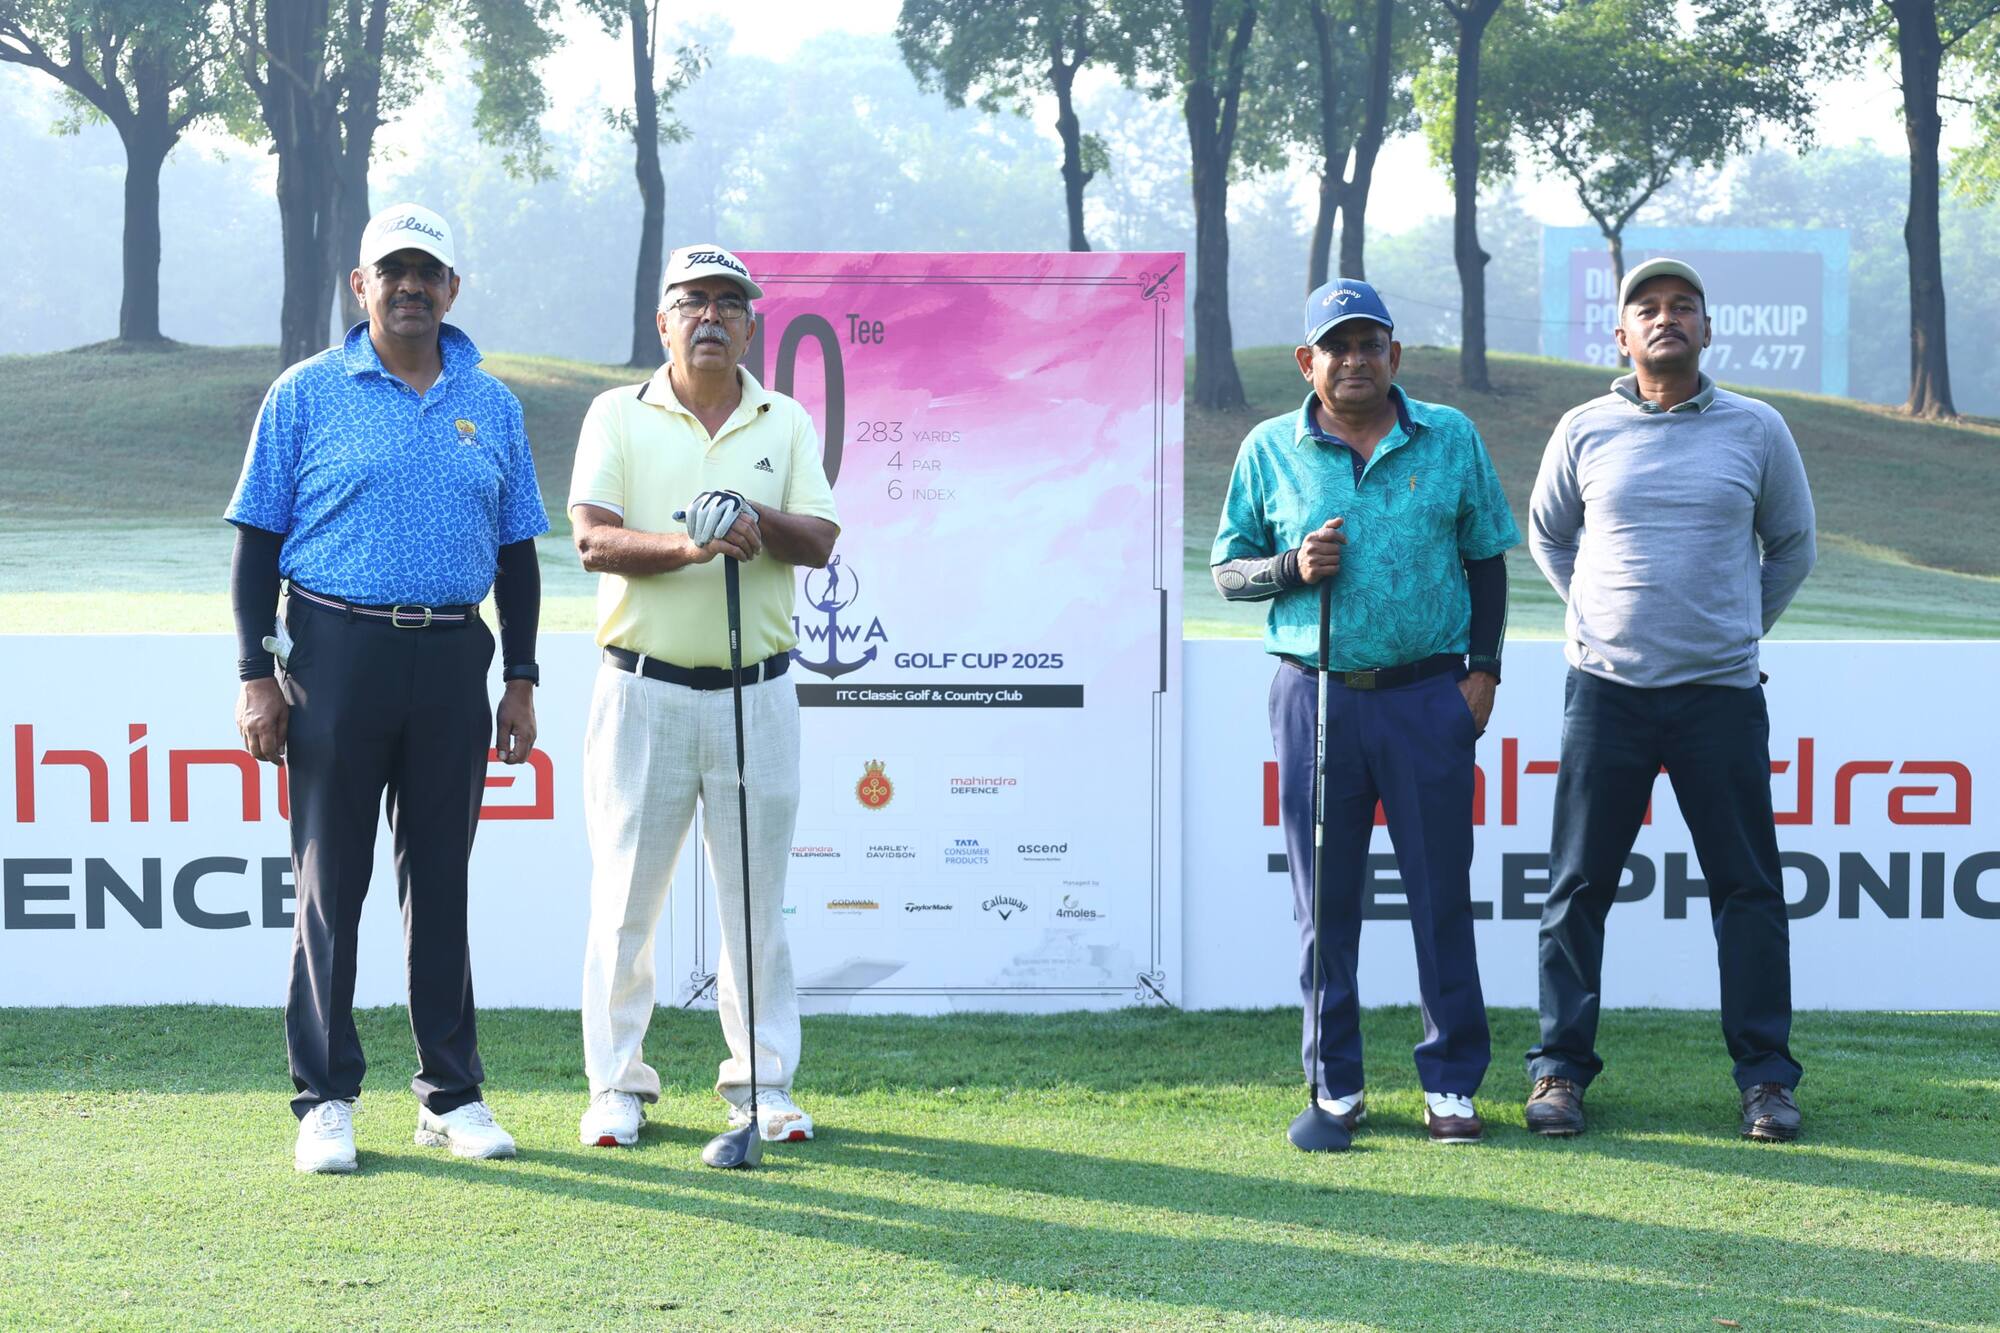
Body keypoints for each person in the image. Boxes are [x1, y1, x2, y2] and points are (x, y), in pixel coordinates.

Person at [227, 202, 549, 1174]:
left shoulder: (489, 402)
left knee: (440, 878)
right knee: (332, 882)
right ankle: (324, 1096)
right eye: (390, 271)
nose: (409, 286)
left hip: (455, 656)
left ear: (452, 288)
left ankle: (449, 1093)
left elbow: (518, 555)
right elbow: (256, 549)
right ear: (357, 286)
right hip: (333, 653)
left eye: (427, 271)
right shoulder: (306, 392)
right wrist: (255, 673)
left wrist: (521, 677)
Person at [1212, 279, 1519, 1144]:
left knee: (1439, 894)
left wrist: (1484, 671)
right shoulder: (1270, 447)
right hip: (1314, 695)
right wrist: (1290, 568)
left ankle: (1452, 1081)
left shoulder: (1449, 436)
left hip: (1429, 695)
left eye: (1368, 343)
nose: (1353, 360)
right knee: (1326, 901)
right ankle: (1335, 1084)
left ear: (1396, 354)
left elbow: (1486, 557)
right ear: (1308, 362)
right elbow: (1227, 571)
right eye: (1334, 347)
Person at [1524, 257, 1817, 1142]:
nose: (1665, 318)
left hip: (1720, 696)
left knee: (1749, 891)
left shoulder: (1757, 429)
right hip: (1605, 694)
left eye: (1683, 306)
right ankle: (1559, 1073)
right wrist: (1601, 620)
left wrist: (1730, 628)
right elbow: (1548, 535)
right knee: (1577, 889)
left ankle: (1766, 1080)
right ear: (1622, 334)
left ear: (1706, 328)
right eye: (1646, 308)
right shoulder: (1584, 428)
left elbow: (1792, 546)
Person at [568, 244, 839, 1154]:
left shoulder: (784, 419)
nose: (712, 317)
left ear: (751, 323)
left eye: (730, 302)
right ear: (664, 321)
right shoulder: (616, 413)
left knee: (755, 903)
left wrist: (753, 525)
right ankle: (616, 1085)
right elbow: (594, 543)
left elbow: (822, 539)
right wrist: (693, 546)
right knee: (624, 903)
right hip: (642, 690)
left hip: (755, 694)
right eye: (693, 302)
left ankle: (762, 1086)